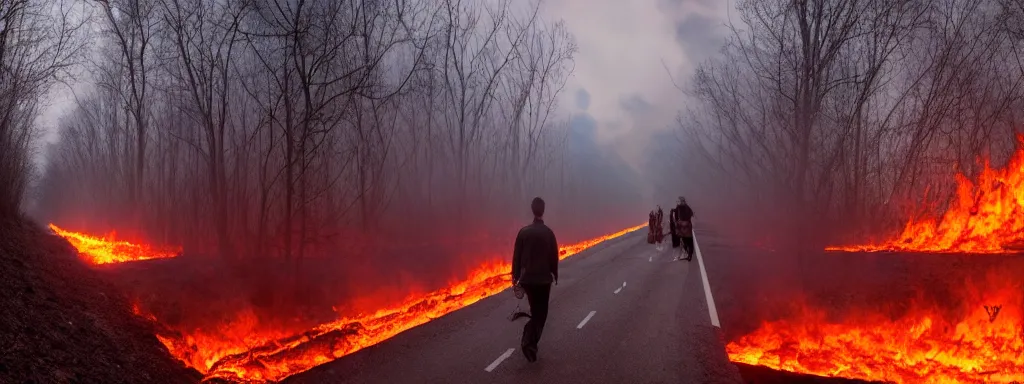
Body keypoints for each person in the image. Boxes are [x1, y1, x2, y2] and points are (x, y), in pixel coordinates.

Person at [511, 197, 559, 362]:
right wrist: (555, 274)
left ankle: (530, 342)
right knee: (542, 313)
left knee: (535, 310)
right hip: (543, 281)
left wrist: (515, 277)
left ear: (532, 210)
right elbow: (554, 256)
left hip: (528, 280)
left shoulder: (523, 232)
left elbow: (516, 256)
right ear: (543, 210)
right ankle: (529, 341)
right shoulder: (548, 233)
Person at [675, 196, 695, 261]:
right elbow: (691, 214)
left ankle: (688, 255)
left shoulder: (682, 207)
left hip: (685, 226)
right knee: (686, 240)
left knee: (687, 241)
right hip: (685, 226)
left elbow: (677, 217)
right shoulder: (685, 207)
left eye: (680, 201)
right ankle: (688, 255)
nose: (679, 202)